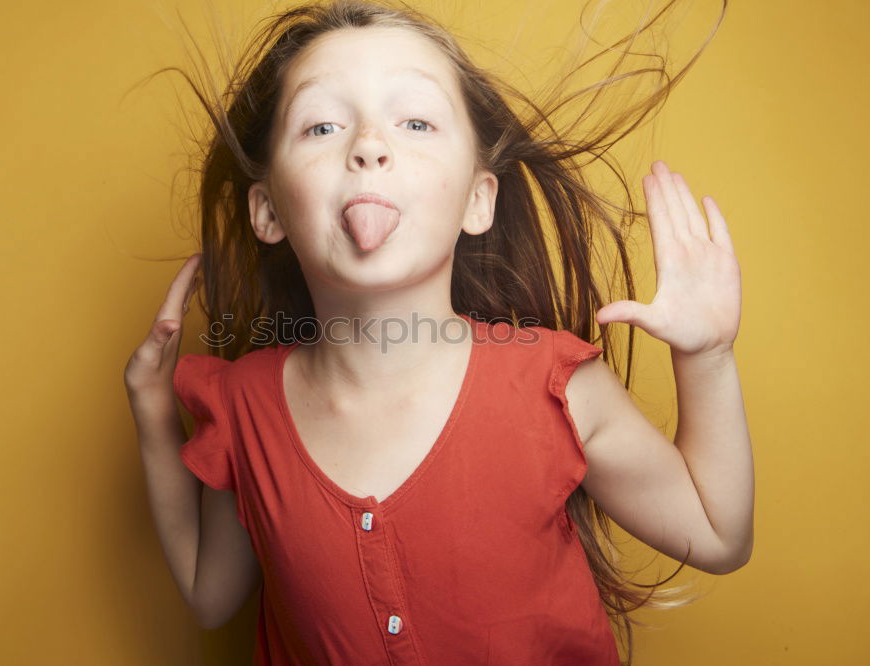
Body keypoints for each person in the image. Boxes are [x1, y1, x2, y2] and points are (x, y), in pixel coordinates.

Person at [123, 1, 752, 664]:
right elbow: (208, 593)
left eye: (416, 121)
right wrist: (153, 412)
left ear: (477, 201)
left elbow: (716, 535)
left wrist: (705, 355)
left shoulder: (555, 388)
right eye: (322, 126)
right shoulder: (243, 407)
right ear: (268, 209)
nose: (369, 145)